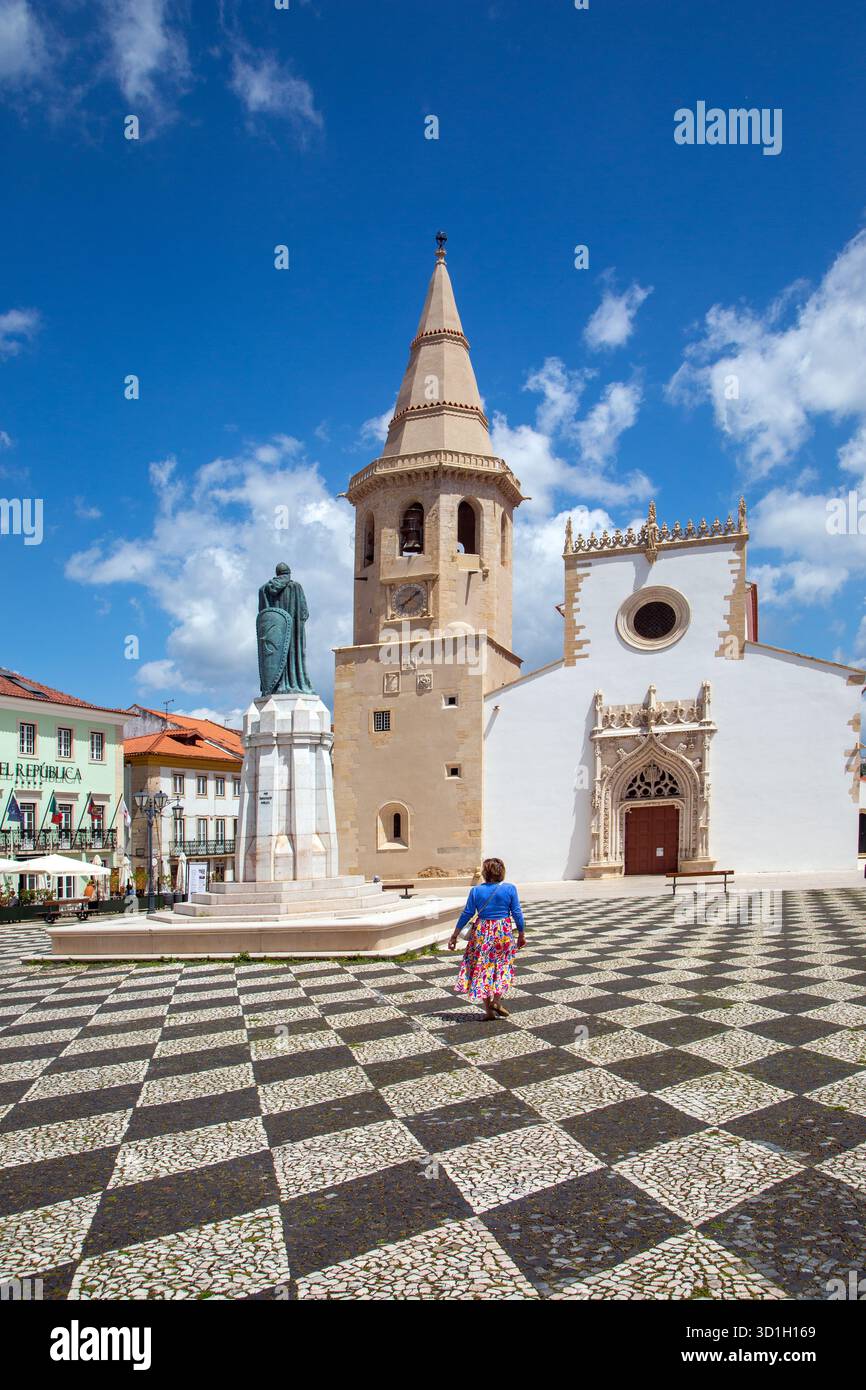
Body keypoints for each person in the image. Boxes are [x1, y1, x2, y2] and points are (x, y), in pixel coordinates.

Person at [448, 857, 525, 1021]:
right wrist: (522, 934)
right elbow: (517, 912)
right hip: (502, 931)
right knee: (502, 966)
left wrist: (455, 935)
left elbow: (467, 913)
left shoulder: (476, 891)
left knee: (481, 968)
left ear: (485, 873)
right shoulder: (510, 889)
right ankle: (496, 1001)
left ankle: (488, 1012)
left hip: (482, 932)